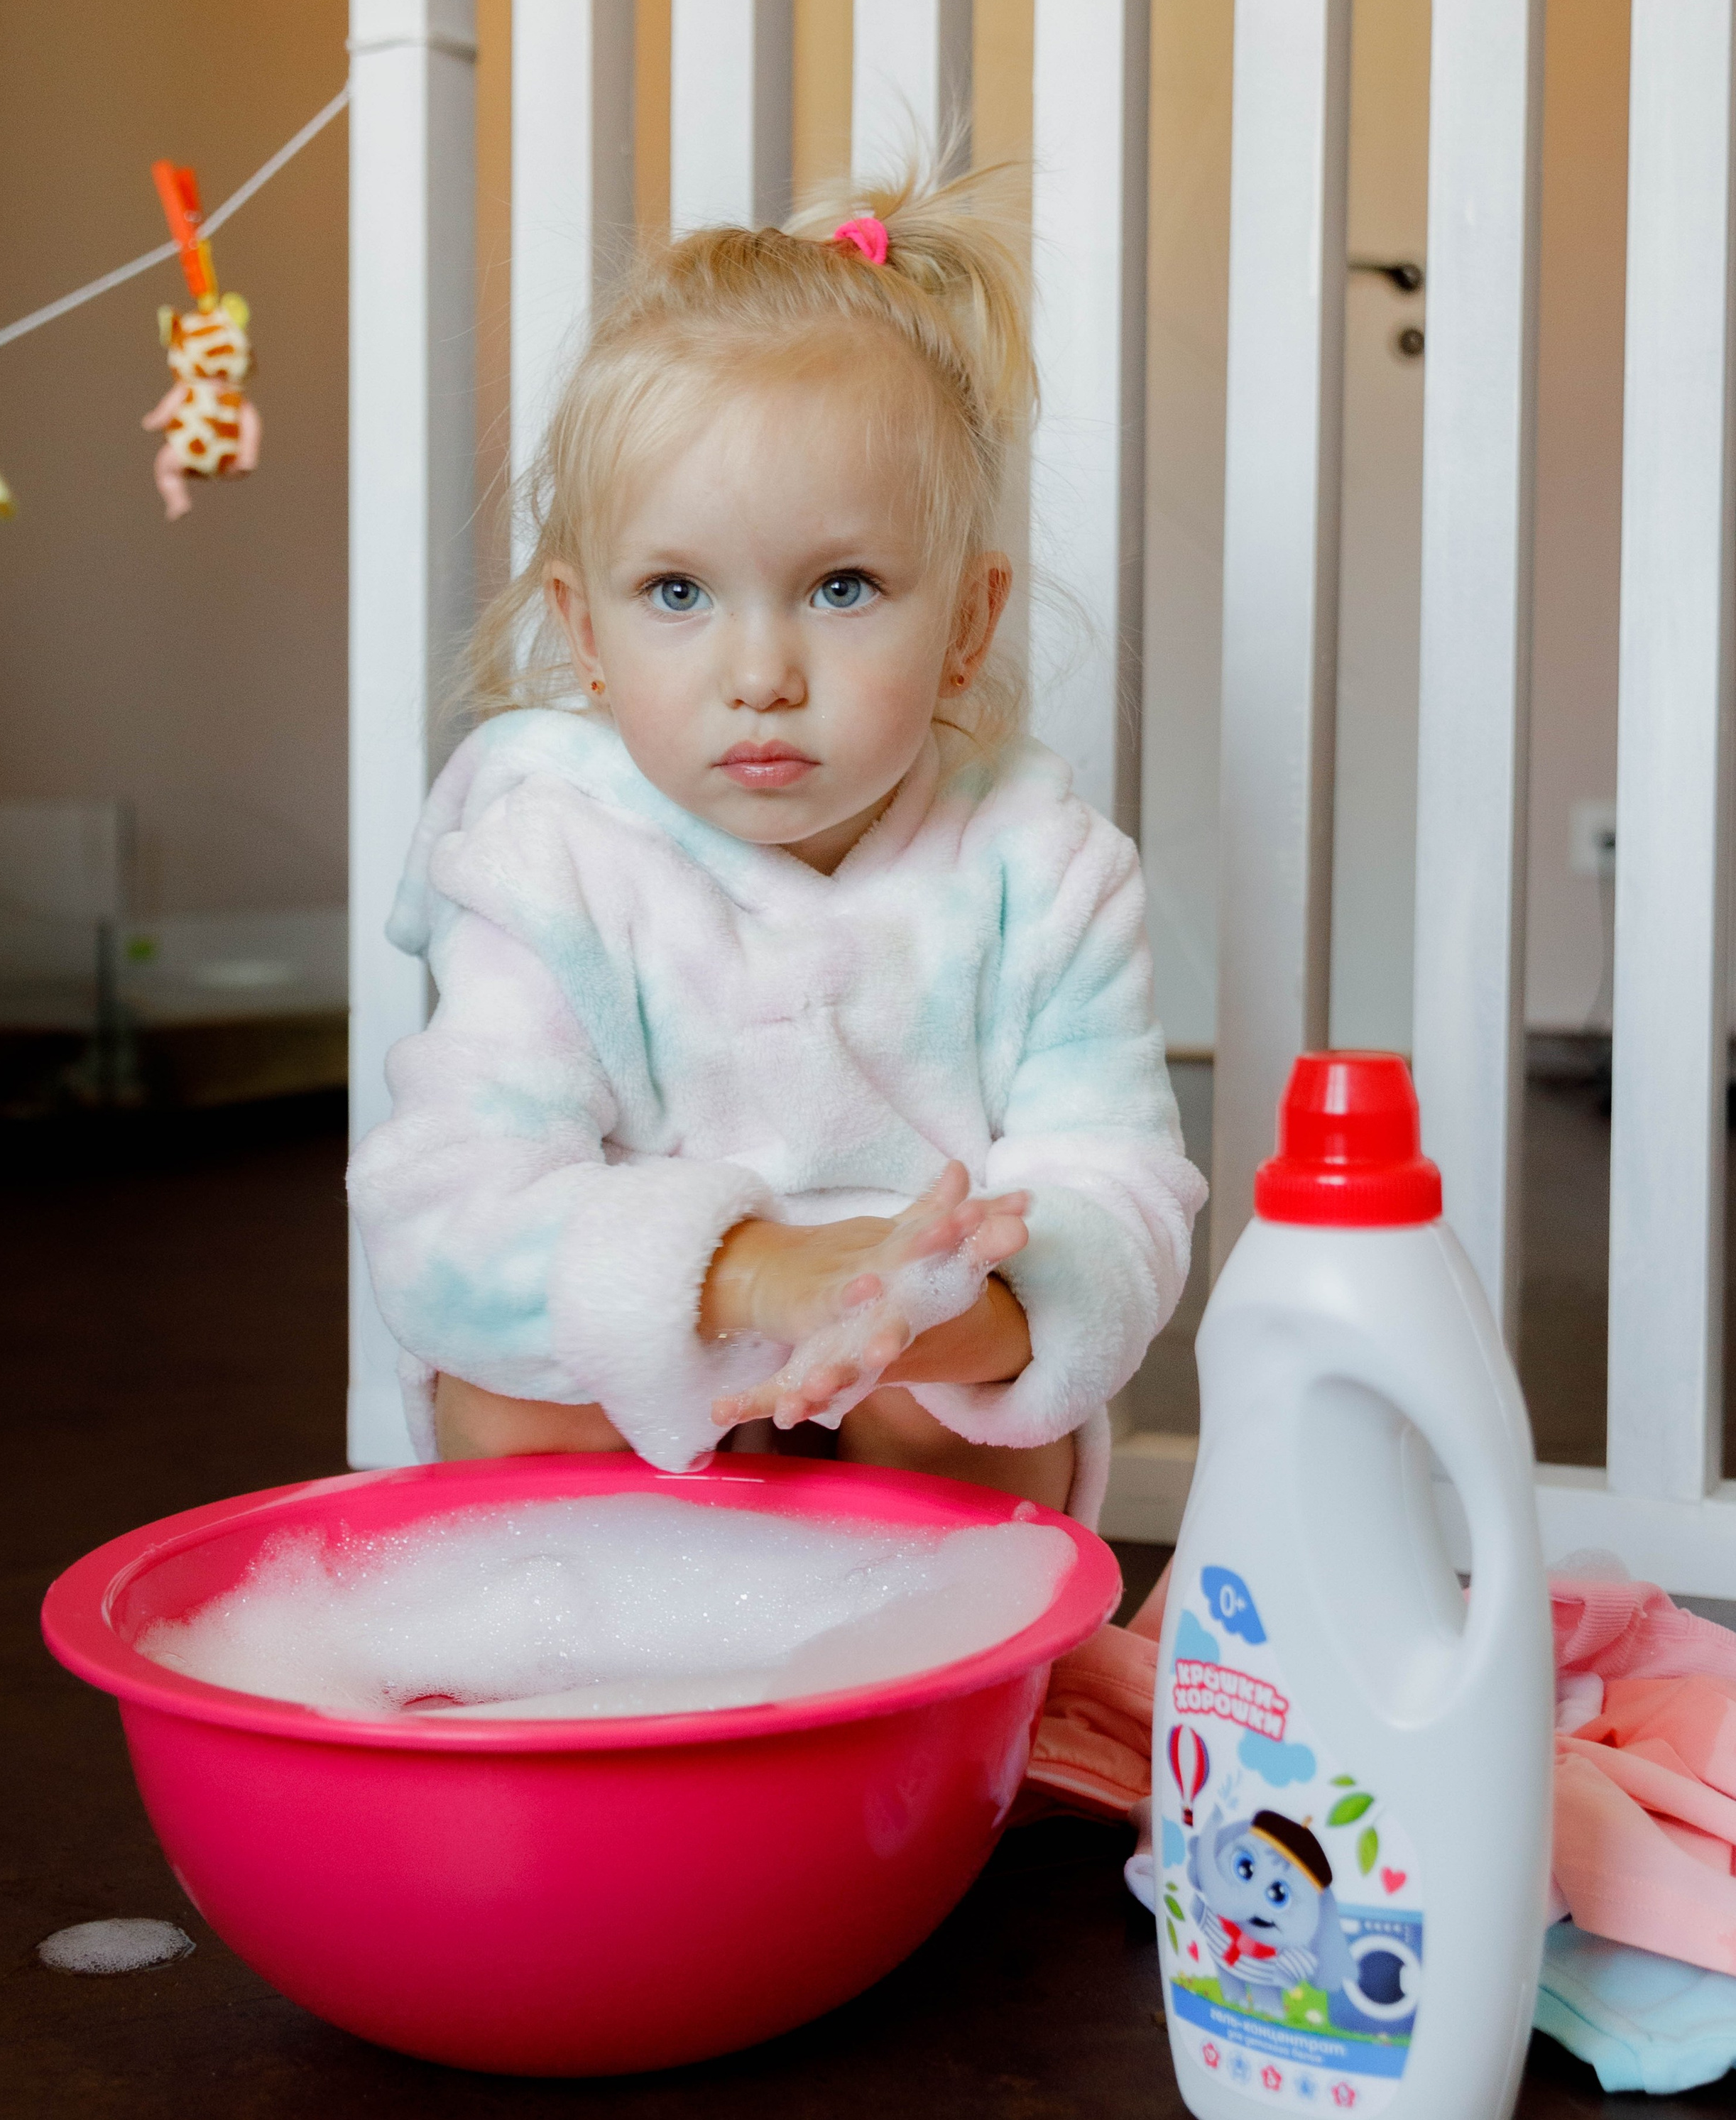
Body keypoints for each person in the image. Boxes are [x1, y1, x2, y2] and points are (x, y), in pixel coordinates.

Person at [348, 167, 1205, 1527]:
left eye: (842, 587)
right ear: (583, 629)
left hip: (913, 1359)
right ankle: (596, 1668)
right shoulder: (549, 856)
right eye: (677, 593)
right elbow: (444, 1218)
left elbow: (1120, 1188)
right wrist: (745, 1281)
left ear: (968, 627)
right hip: (651, 1366)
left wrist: (928, 1316)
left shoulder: (1040, 865)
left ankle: (911, 1697)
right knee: (513, 1403)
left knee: (954, 1425)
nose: (761, 671)